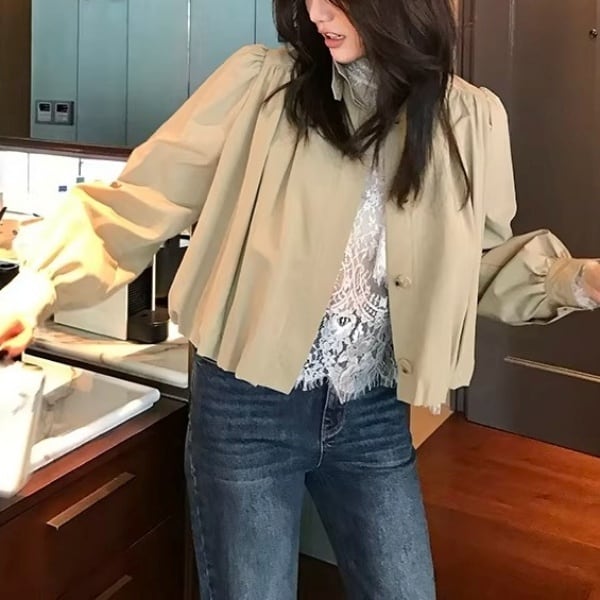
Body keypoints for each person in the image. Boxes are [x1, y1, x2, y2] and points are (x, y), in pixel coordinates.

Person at [1, 0, 599, 597]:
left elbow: (471, 266)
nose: (316, 11)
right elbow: (141, 199)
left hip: (372, 407)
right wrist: (40, 280)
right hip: (246, 406)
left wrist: (577, 280)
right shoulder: (262, 87)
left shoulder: (467, 118)